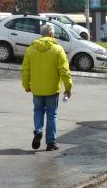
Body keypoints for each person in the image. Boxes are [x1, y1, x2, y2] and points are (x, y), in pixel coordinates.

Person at [21, 23, 73, 151]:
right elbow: (64, 71)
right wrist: (68, 87)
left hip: (37, 89)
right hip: (52, 89)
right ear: (51, 34)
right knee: (52, 114)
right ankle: (51, 143)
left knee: (38, 110)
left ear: (41, 34)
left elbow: (25, 70)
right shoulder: (58, 49)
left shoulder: (31, 49)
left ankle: (38, 130)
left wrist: (26, 85)